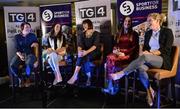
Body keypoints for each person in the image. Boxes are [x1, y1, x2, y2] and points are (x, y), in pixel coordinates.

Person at [110, 13, 174, 107]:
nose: (148, 23)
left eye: (150, 21)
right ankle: (150, 91)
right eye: (148, 21)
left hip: (162, 60)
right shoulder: (148, 33)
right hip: (149, 59)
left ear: (158, 21)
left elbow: (166, 50)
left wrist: (150, 54)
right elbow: (146, 48)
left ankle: (122, 73)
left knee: (144, 57)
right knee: (140, 67)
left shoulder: (167, 32)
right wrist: (143, 51)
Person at [103, 16, 139, 95]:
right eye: (126, 21)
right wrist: (115, 50)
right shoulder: (119, 33)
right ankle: (113, 85)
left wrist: (124, 53)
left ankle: (112, 86)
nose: (127, 23)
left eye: (129, 21)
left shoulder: (134, 34)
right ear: (123, 22)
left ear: (131, 23)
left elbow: (134, 48)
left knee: (111, 60)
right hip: (118, 54)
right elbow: (116, 45)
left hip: (128, 55)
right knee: (109, 57)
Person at [67, 19, 101, 85]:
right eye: (83, 24)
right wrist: (80, 52)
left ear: (90, 25)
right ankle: (81, 76)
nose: (84, 25)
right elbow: (80, 45)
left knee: (85, 56)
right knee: (81, 56)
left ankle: (78, 76)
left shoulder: (96, 33)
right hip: (85, 52)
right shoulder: (82, 34)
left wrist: (86, 52)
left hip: (94, 52)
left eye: (86, 24)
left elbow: (95, 46)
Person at [10, 22, 39, 87]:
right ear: (22, 28)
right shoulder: (17, 37)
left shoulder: (32, 35)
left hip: (30, 54)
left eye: (29, 27)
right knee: (12, 65)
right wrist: (20, 56)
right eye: (26, 27)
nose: (28, 28)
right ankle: (21, 78)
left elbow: (37, 44)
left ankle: (28, 78)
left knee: (28, 64)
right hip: (20, 54)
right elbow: (17, 48)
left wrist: (35, 44)